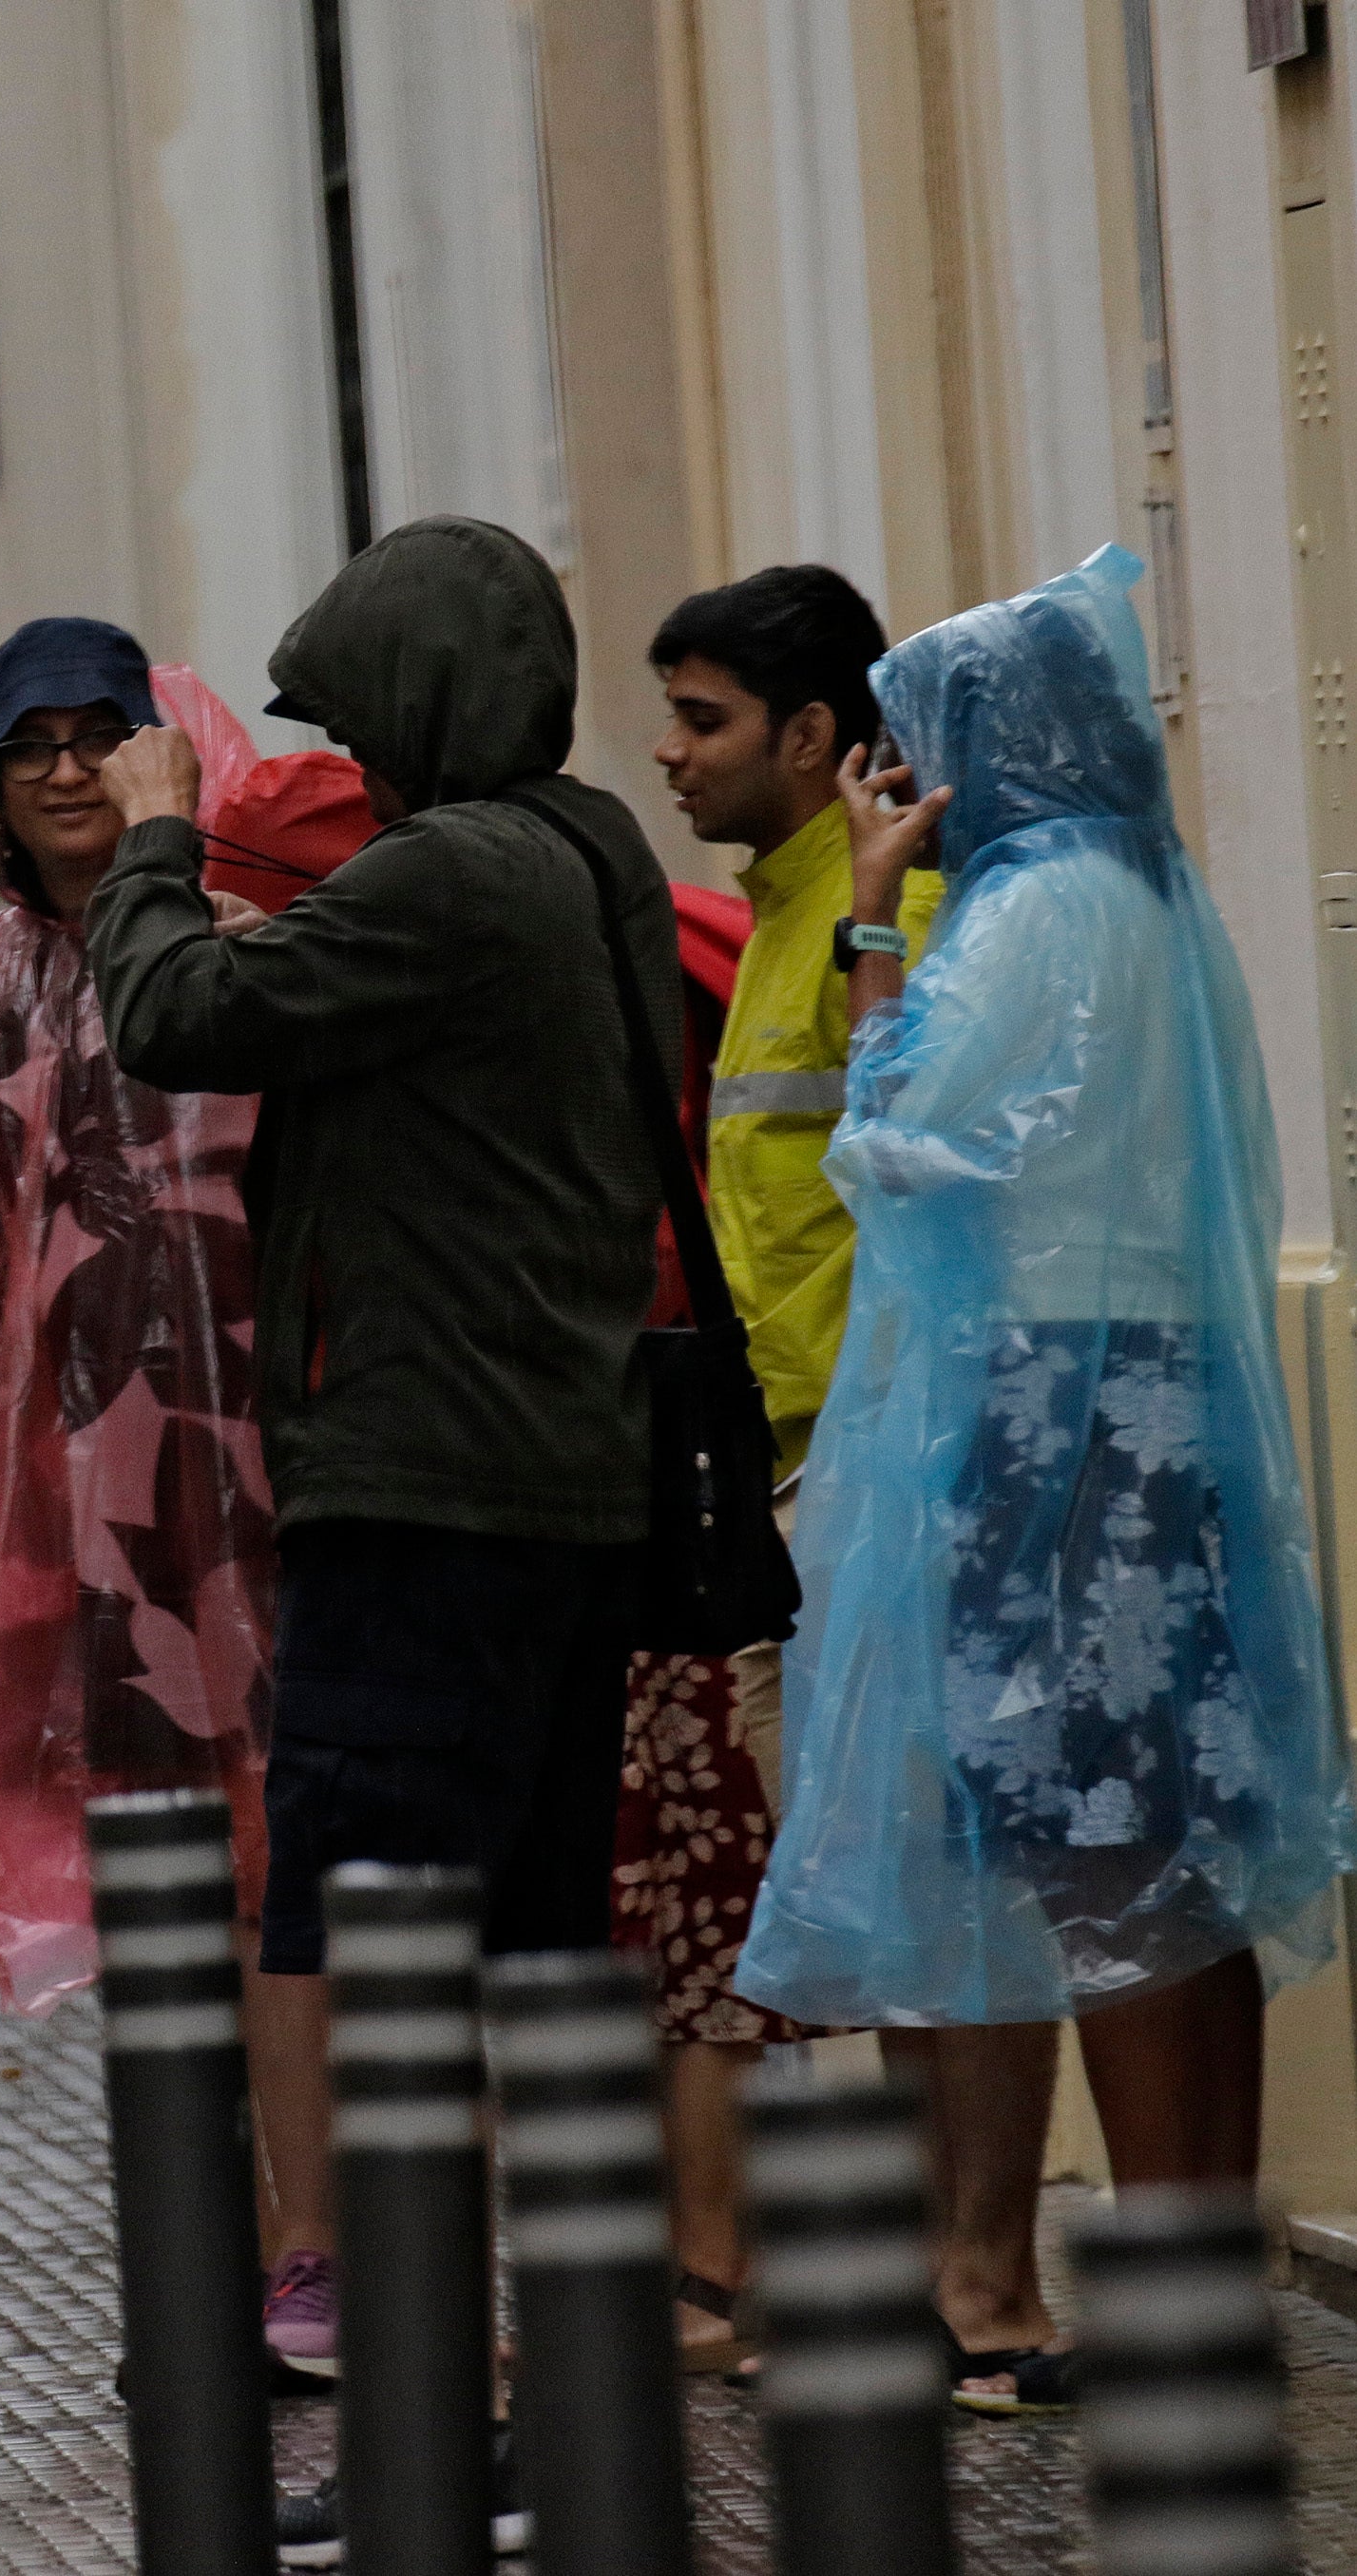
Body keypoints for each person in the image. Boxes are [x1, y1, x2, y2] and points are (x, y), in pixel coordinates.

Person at [86, 516, 677, 2552]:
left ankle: (437, 2426)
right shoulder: (583, 852)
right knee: (513, 1962)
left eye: (349, 719)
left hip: (429, 1486)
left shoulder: (453, 879)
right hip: (556, 1479)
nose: (333, 763)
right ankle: (514, 2423)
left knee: (373, 1951)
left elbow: (164, 1016)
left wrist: (151, 846)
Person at [737, 548, 1357, 2404]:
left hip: (1059, 1420)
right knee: (1155, 1854)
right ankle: (1190, 2274)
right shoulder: (1149, 900)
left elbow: (899, 1133)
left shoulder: (1029, 914)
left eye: (918, 755)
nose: (902, 797)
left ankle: (1174, 2299)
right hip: (1139, 1405)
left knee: (1110, 1858)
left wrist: (862, 920)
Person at [0, 617, 366, 2381]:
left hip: (270, 1500)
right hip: (77, 1528)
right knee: (162, 1893)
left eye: (97, 733)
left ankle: (320, 2250)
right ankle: (206, 2256)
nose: (63, 766)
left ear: (160, 754)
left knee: (282, 1876)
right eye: (28, 742)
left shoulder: (240, 955)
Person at [622, 563, 951, 2376]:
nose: (668, 754)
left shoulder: (868, 914)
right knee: (831, 1889)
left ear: (815, 736)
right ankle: (880, 2262)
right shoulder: (780, 912)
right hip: (787, 1471)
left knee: (880, 1886)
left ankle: (922, 2270)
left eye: (702, 720)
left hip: (860, 1468)